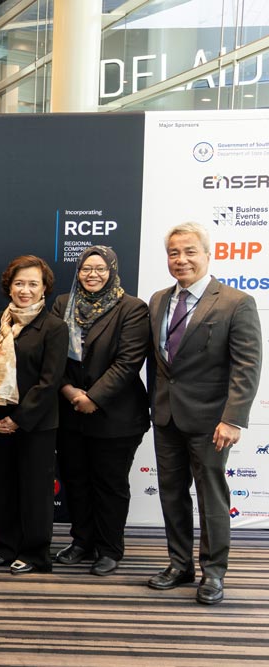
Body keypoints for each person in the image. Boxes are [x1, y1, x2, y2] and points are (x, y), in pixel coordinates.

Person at [147, 222, 261, 605]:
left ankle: (214, 572)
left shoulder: (235, 302)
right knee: (172, 495)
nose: (181, 260)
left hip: (212, 421)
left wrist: (233, 418)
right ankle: (179, 564)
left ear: (208, 254)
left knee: (212, 498)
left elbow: (247, 365)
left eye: (190, 251)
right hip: (165, 416)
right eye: (174, 253)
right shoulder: (158, 300)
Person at [51, 246, 149, 576]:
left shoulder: (132, 308)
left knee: (110, 485)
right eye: (86, 268)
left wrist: (93, 397)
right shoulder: (64, 304)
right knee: (76, 481)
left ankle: (109, 548)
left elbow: (128, 362)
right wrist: (67, 390)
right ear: (77, 272)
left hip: (115, 416)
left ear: (112, 270)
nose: (92, 274)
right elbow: (52, 355)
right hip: (69, 412)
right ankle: (82, 542)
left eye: (100, 268)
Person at [0, 255, 67, 575]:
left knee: (35, 491)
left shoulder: (54, 327)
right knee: (2, 487)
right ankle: (3, 546)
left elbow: (49, 381)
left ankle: (35, 553)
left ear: (44, 289)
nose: (25, 290)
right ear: (8, 286)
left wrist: (19, 419)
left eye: (32, 284)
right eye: (19, 283)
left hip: (36, 423)